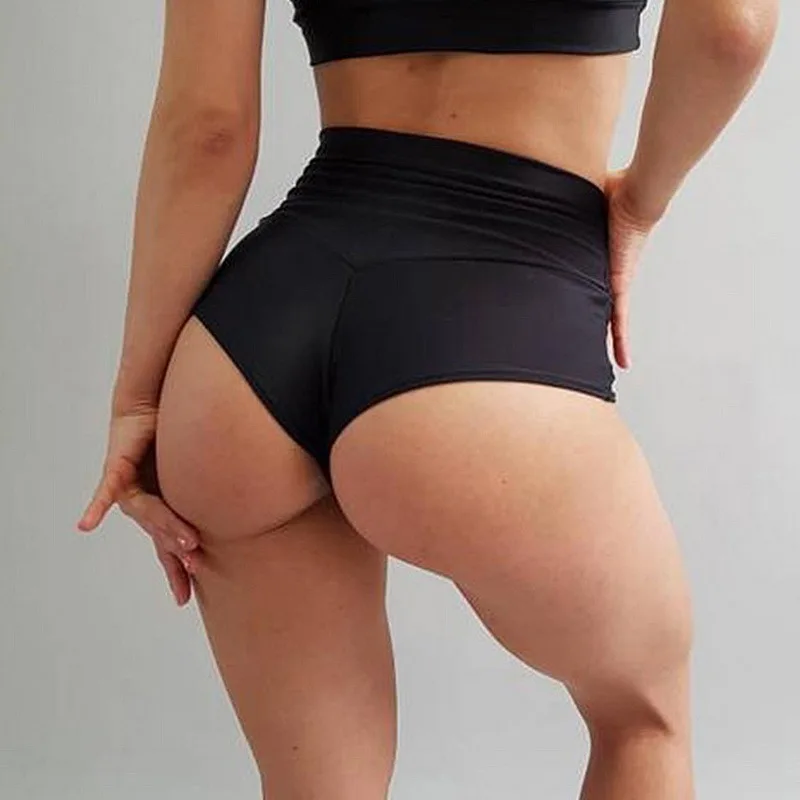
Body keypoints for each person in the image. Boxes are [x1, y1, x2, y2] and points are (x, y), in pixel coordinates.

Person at [77, 0, 778, 797]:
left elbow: (206, 128)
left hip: (251, 347)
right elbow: (732, 28)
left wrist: (140, 398)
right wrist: (640, 202)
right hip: (487, 330)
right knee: (643, 719)